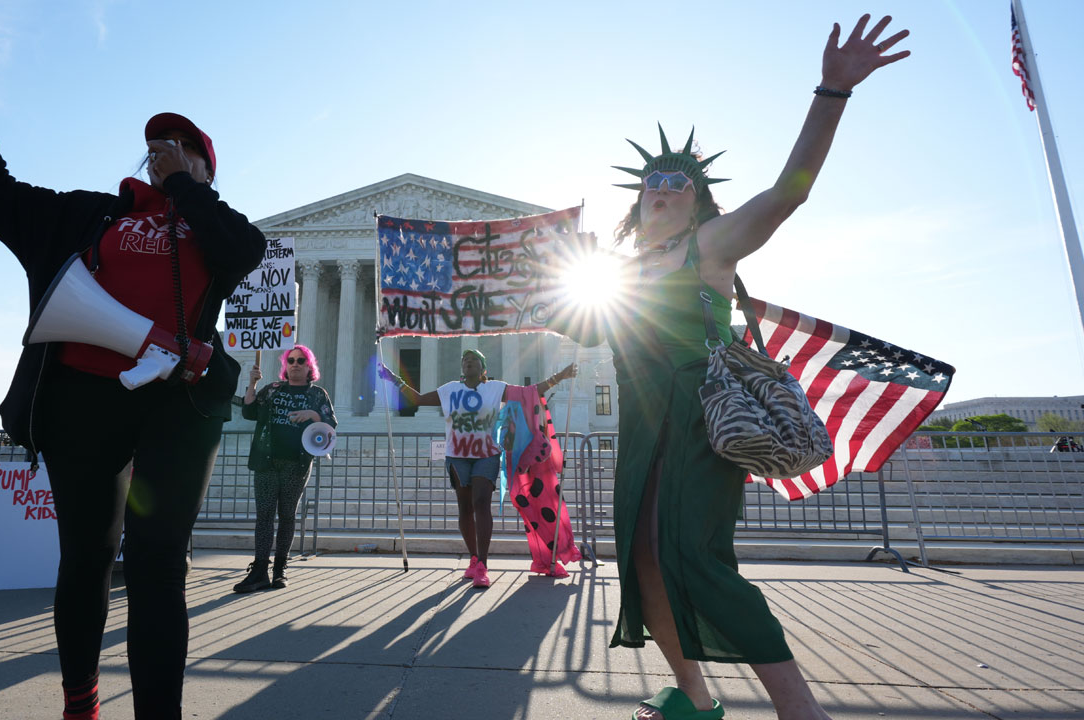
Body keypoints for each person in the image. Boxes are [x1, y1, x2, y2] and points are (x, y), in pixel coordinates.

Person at [546, 16, 909, 720]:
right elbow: (573, 320)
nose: (664, 184)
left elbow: (788, 193)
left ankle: (800, 710)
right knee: (644, 557)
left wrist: (830, 92)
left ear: (700, 201)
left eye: (680, 180)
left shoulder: (709, 246)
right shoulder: (617, 274)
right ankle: (693, 698)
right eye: (654, 178)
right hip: (642, 431)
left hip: (699, 420)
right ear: (638, 199)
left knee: (696, 557)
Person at [0, 23, 266, 720]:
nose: (166, 151)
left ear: (206, 167)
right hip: (81, 398)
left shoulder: (218, 228)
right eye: (157, 146)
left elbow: (246, 248)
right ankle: (81, 699)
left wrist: (188, 193)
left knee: (159, 565)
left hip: (178, 406)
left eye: (186, 147)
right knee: (86, 557)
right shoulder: (87, 215)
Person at [380, 349, 576, 588]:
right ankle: (473, 558)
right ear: (462, 369)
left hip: (487, 455)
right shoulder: (450, 389)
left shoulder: (495, 388)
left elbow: (529, 392)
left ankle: (482, 564)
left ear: (483, 369)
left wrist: (560, 376)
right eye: (465, 360)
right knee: (465, 508)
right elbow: (418, 399)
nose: (468, 362)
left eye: (474, 360)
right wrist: (393, 379)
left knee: (481, 502)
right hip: (457, 457)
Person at [232, 345, 337, 593]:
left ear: (310, 366)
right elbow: (249, 412)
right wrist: (252, 383)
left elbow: (331, 424)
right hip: (266, 461)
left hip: (297, 463)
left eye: (301, 360)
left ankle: (280, 570)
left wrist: (312, 414)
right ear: (285, 365)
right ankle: (259, 571)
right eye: (291, 360)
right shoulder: (273, 389)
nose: (295, 364)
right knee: (264, 516)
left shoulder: (317, 395)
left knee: (287, 515)